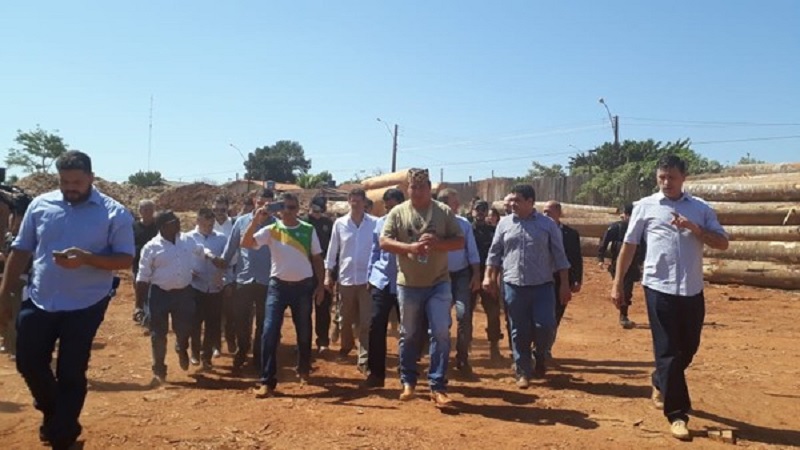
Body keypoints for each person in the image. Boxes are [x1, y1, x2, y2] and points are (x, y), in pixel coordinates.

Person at [0, 151, 134, 449]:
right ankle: (56, 415)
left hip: (86, 303)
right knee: (28, 361)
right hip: (40, 297)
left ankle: (63, 437)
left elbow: (124, 258)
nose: (70, 187)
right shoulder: (40, 205)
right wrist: (4, 294)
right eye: (64, 181)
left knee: (71, 371)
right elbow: (21, 250)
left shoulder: (114, 213)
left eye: (76, 181)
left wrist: (87, 259)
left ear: (91, 178)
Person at [611, 155, 728, 441]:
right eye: (661, 177)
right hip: (658, 287)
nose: (666, 183)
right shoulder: (645, 207)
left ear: (684, 178)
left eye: (671, 177)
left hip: (691, 289)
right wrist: (617, 284)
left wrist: (695, 229)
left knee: (688, 348)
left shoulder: (700, 208)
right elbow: (628, 247)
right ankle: (677, 415)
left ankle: (659, 379)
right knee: (668, 351)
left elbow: (723, 242)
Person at [380, 168, 464, 409]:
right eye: (413, 187)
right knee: (408, 333)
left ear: (430, 188)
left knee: (440, 331)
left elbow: (459, 241)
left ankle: (438, 386)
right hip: (408, 283)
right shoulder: (398, 212)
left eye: (422, 187)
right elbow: (383, 241)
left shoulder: (444, 212)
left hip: (439, 282)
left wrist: (438, 244)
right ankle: (408, 381)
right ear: (407, 189)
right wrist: (410, 248)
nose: (417, 191)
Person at [484, 184, 571, 389]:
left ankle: (540, 355)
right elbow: (494, 252)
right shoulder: (504, 224)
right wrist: (489, 276)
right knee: (518, 330)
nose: (512, 204)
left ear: (531, 202)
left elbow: (560, 256)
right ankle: (523, 370)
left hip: (542, 286)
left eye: (518, 200)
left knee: (546, 326)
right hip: (514, 285)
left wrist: (564, 285)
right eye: (511, 200)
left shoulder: (547, 224)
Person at [242, 192, 325, 398]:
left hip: (303, 287)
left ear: (298, 209)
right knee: (269, 331)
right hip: (278, 286)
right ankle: (266, 381)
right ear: (279, 209)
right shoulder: (271, 230)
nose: (289, 211)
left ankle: (303, 368)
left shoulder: (308, 230)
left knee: (304, 330)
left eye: (293, 207)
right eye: (285, 207)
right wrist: (256, 220)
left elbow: (317, 259)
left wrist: (321, 285)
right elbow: (246, 243)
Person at [137, 210, 223, 383]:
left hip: (183, 293)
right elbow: (142, 278)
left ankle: (181, 346)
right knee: (158, 334)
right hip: (159, 294)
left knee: (185, 329)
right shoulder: (151, 247)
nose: (179, 224)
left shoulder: (186, 240)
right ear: (163, 226)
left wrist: (211, 257)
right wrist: (139, 305)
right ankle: (159, 370)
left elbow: (199, 250)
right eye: (174, 222)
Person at [222, 188, 275, 371]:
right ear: (254, 201)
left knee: (263, 321)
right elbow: (230, 250)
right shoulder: (241, 222)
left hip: (267, 280)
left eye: (268, 203)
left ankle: (259, 356)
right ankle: (242, 348)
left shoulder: (277, 225)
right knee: (241, 320)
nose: (264, 206)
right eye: (261, 202)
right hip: (244, 279)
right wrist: (225, 275)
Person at [325, 188, 375, 374]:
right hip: (346, 279)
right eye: (352, 200)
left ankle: (364, 358)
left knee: (365, 321)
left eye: (358, 201)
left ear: (364, 202)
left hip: (367, 280)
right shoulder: (340, 224)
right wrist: (327, 274)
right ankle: (346, 346)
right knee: (345, 319)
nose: (355, 204)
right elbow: (332, 252)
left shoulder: (374, 224)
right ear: (348, 201)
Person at [363, 188, 404, 388]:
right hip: (382, 280)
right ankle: (376, 374)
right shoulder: (380, 223)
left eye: (392, 206)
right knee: (376, 324)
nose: (389, 210)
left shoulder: (409, 224)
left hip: (405, 281)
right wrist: (370, 276)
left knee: (408, 329)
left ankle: (406, 371)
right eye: (387, 206)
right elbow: (375, 251)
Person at [436, 188, 480, 374]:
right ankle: (441, 357)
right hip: (439, 276)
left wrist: (476, 274)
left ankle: (462, 357)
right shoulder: (433, 223)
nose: (457, 205)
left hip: (461, 275)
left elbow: (472, 251)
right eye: (454, 202)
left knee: (463, 314)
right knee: (441, 320)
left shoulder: (464, 224)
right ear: (444, 203)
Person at [186, 208, 228, 370]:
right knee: (195, 322)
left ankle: (207, 357)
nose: (209, 227)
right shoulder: (188, 238)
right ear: (198, 221)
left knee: (212, 324)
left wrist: (224, 277)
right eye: (206, 224)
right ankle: (195, 353)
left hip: (215, 287)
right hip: (195, 287)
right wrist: (188, 272)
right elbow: (181, 260)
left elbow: (227, 261)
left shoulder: (221, 239)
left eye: (211, 224)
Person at [542, 200, 583, 356]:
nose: (545, 215)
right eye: (544, 212)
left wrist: (577, 279)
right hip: (541, 278)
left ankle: (546, 347)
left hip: (561, 280)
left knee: (556, 314)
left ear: (559, 213)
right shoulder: (538, 230)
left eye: (549, 212)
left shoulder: (571, 234)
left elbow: (576, 258)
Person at [0, 187, 33, 360]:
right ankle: (10, 343)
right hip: (15, 275)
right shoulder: (16, 227)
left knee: (15, 313)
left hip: (22, 277)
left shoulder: (27, 229)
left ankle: (17, 348)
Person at [598, 203, 642, 329]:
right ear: (626, 215)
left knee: (627, 289)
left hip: (633, 263)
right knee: (622, 286)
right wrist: (600, 258)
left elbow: (644, 246)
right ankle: (622, 312)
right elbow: (604, 242)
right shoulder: (615, 227)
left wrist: (642, 262)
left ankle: (623, 314)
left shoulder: (639, 229)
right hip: (617, 262)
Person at [470, 200, 503, 362]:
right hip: (468, 276)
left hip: (488, 276)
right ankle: (465, 348)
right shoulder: (466, 230)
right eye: (478, 209)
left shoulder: (494, 231)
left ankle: (494, 346)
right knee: (466, 313)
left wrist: (494, 278)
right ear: (472, 211)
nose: (481, 212)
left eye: (484, 209)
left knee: (493, 312)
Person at [304, 196, 334, 354]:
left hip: (322, 271)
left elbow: (333, 248)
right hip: (304, 272)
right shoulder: (302, 223)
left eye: (321, 210)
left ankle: (323, 341)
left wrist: (331, 273)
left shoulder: (328, 224)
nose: (317, 213)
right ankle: (303, 342)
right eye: (315, 210)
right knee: (304, 310)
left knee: (323, 308)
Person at [132, 199, 158, 328]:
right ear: (140, 211)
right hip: (137, 264)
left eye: (150, 210)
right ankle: (139, 310)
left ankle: (148, 317)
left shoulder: (158, 227)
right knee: (139, 289)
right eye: (145, 209)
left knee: (151, 291)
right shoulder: (134, 227)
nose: (147, 212)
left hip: (155, 265)